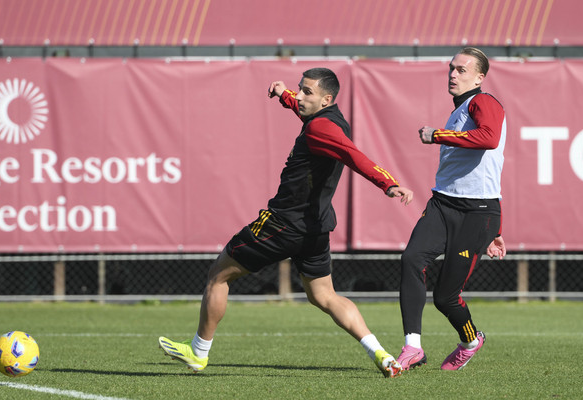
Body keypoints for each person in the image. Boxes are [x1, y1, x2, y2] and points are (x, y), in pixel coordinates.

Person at [159, 67, 413, 378]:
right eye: (300, 88)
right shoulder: (331, 118)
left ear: (326, 99)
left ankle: (198, 352)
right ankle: (381, 354)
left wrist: (389, 183)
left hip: (283, 224)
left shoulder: (321, 128)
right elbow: (306, 110)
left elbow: (355, 156)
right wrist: (285, 95)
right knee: (324, 296)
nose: (300, 96)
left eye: (307, 92)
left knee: (218, 276)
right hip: (315, 228)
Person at [396, 47, 507, 371]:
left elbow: (489, 138)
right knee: (411, 259)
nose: (453, 74)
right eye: (451, 68)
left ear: (480, 77)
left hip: (477, 213)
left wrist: (437, 135)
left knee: (445, 297)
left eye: (461, 70)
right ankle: (412, 347)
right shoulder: (459, 110)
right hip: (443, 204)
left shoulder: (483, 102)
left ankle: (471, 340)